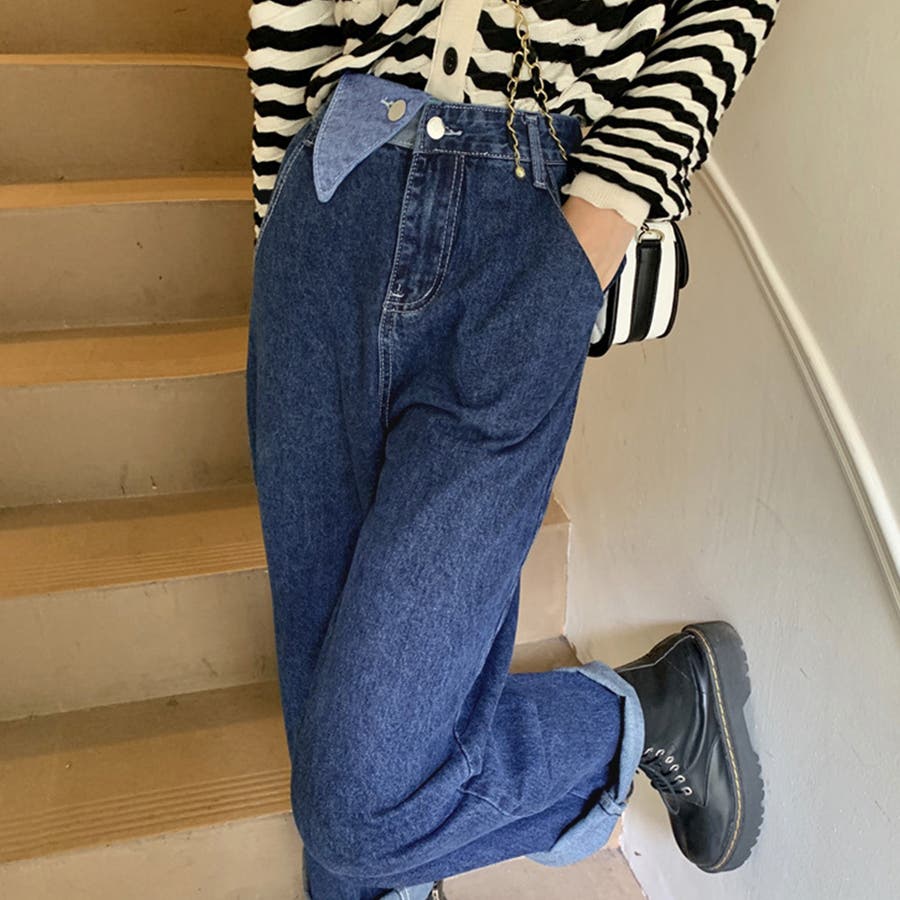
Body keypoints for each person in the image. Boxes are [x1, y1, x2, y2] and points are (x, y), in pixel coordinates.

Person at [243, 2, 780, 898]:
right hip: (328, 198)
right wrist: (275, 234)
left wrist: (597, 227)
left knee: (358, 801)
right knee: (325, 693)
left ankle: (644, 717)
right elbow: (285, 22)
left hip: (530, 215)